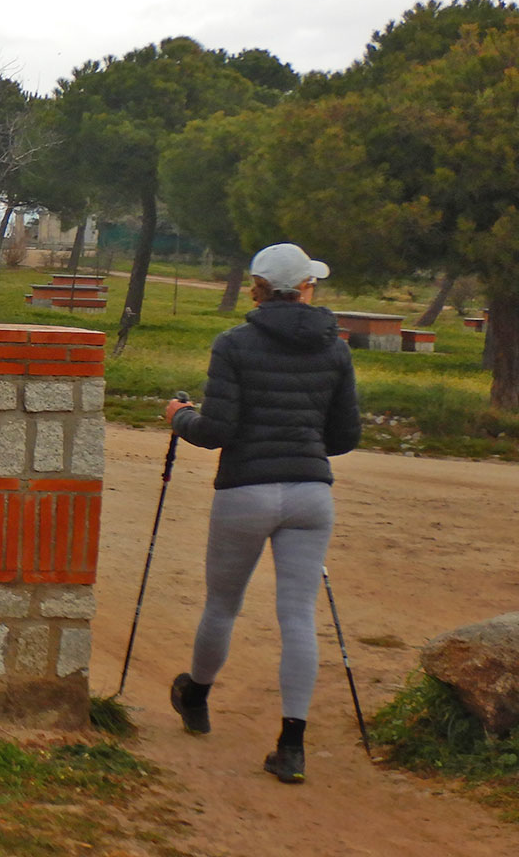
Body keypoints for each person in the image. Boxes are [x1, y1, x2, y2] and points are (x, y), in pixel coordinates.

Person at [164, 242, 361, 784]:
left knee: (222, 606)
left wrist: (179, 416)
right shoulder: (335, 349)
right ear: (305, 289)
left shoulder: (234, 344)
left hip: (244, 492)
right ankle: (292, 745)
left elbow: (216, 431)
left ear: (255, 288)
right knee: (297, 616)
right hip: (309, 494)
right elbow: (345, 436)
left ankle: (197, 696)